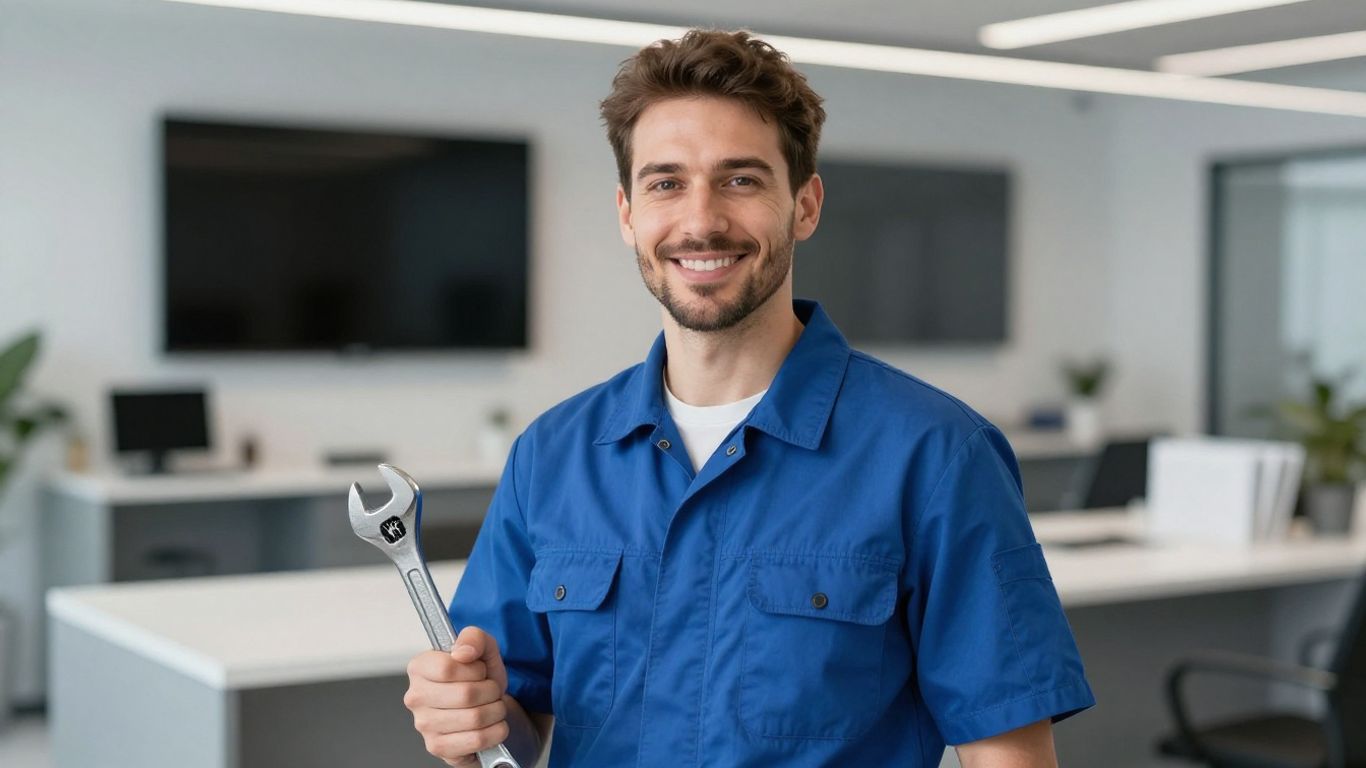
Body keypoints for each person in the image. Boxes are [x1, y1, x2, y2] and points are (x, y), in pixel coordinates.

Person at [404, 28, 1095, 768]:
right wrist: (466, 721)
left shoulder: (936, 454)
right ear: (628, 212)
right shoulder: (551, 455)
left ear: (805, 204)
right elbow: (516, 721)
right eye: (666, 182)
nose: (700, 221)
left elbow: (1011, 754)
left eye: (741, 179)